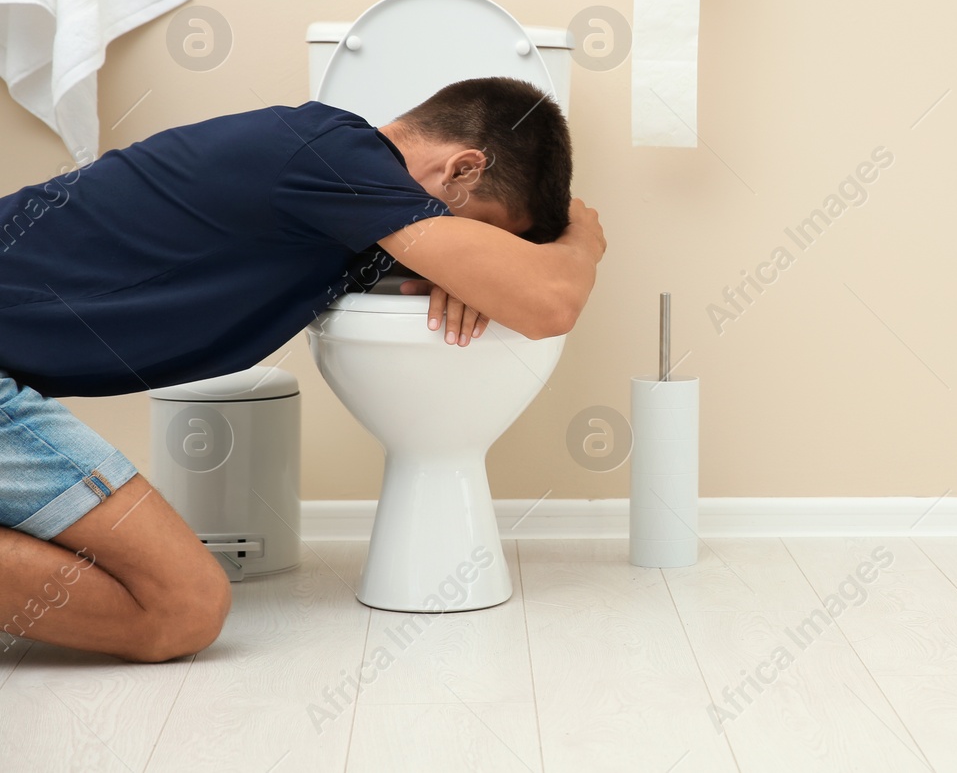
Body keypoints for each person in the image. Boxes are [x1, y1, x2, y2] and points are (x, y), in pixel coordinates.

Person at [0, 77, 605, 661]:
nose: (481, 259)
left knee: (176, 605)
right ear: (462, 170)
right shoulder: (333, 155)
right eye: (487, 236)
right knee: (182, 608)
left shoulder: (345, 209)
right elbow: (550, 303)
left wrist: (481, 272)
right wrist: (583, 238)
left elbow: (524, 291)